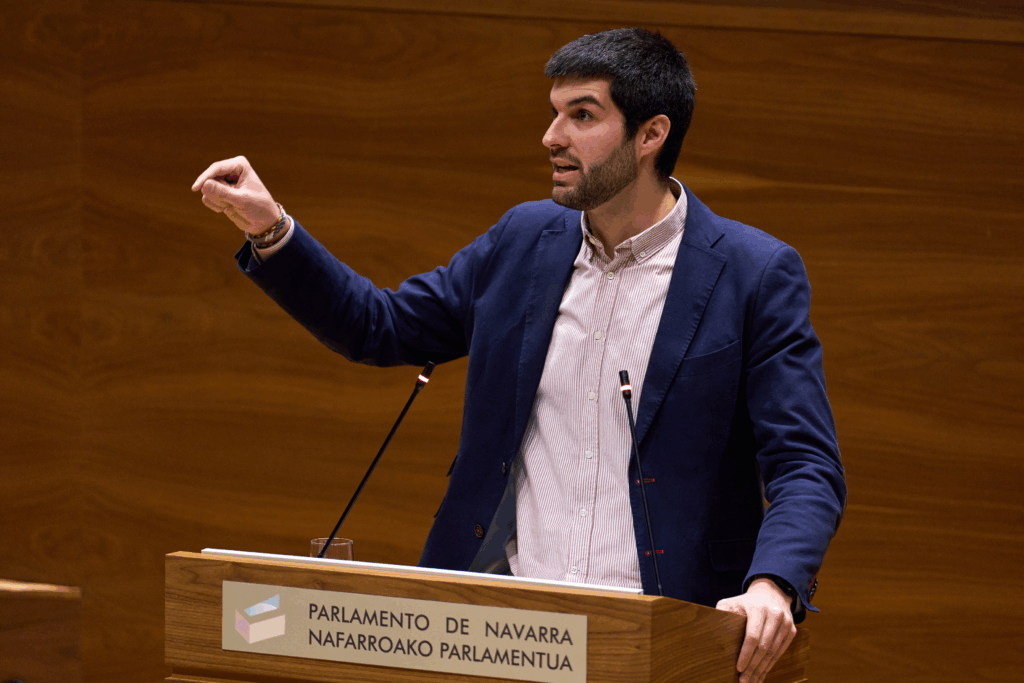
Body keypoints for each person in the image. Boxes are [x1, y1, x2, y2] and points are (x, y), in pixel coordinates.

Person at [192, 28, 845, 683]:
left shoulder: (752, 273)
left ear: (650, 135)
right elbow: (378, 325)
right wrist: (272, 228)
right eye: (554, 112)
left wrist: (773, 583)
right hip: (503, 636)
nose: (551, 136)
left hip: (664, 641)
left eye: (581, 115)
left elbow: (806, 463)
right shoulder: (522, 241)